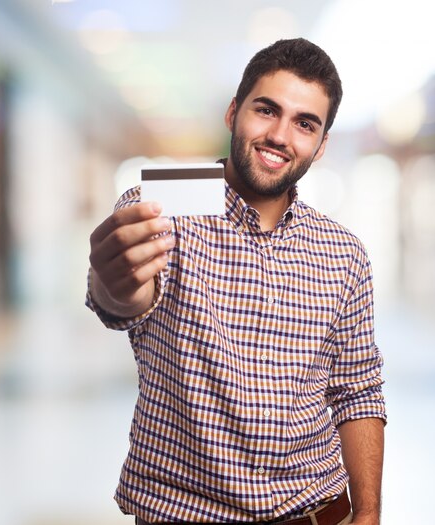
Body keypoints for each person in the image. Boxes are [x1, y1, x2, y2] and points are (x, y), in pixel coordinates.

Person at [87, 38, 386, 525]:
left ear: (322, 144)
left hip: (316, 512)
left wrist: (370, 512)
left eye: (304, 124)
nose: (280, 136)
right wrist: (113, 284)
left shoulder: (342, 250)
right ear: (233, 112)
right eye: (266, 110)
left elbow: (358, 389)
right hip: (185, 514)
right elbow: (122, 303)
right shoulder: (167, 205)